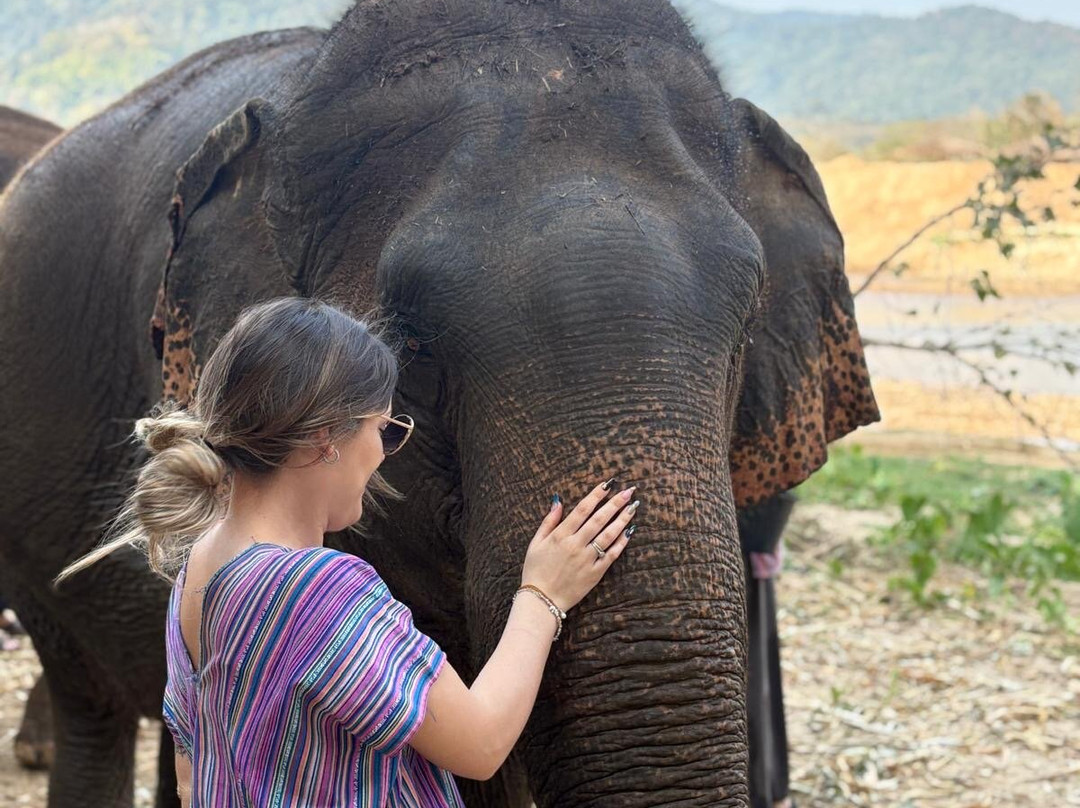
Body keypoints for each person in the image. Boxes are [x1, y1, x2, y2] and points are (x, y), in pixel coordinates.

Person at [57, 296, 637, 807]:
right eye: (384, 429)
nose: (386, 454)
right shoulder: (316, 590)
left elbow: (191, 778)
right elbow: (481, 744)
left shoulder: (198, 571)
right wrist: (543, 594)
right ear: (324, 439)